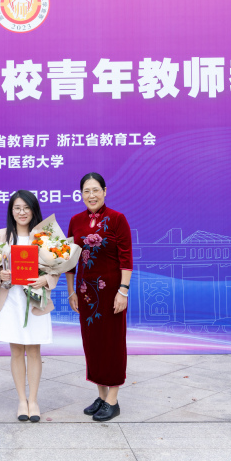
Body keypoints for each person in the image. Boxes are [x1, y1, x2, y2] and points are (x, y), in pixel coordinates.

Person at [66, 172, 133, 421]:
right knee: (92, 343)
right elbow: (69, 261)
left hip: (112, 293)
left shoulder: (117, 219)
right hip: (86, 294)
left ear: (105, 191)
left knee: (112, 343)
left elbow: (126, 259)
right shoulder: (76, 221)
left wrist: (123, 291)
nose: (91, 195)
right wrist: (71, 291)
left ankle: (113, 400)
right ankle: (102, 396)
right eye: (86, 191)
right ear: (81, 194)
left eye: (95, 190)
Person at [0, 191, 55, 423]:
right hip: (11, 299)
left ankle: (34, 400)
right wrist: (1, 275)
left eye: (26, 207)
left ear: (34, 210)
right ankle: (21, 400)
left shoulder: (45, 236)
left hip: (36, 299)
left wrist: (45, 279)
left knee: (34, 350)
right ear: (11, 211)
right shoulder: (1, 235)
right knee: (17, 350)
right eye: (17, 208)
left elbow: (57, 266)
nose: (22, 212)